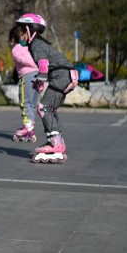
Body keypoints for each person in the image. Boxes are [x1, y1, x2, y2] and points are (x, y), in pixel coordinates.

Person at [14, 13, 77, 163]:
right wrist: (39, 82)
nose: (20, 36)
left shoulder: (36, 45)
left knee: (43, 108)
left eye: (22, 32)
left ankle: (54, 142)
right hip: (68, 75)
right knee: (50, 109)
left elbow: (43, 65)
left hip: (62, 76)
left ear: (29, 30)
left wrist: (41, 81)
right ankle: (58, 141)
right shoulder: (39, 44)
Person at [9, 26, 39, 143]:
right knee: (32, 103)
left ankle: (27, 127)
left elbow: (26, 61)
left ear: (12, 39)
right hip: (38, 75)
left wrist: (35, 64)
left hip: (27, 76)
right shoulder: (28, 47)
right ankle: (29, 126)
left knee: (25, 102)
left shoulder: (16, 49)